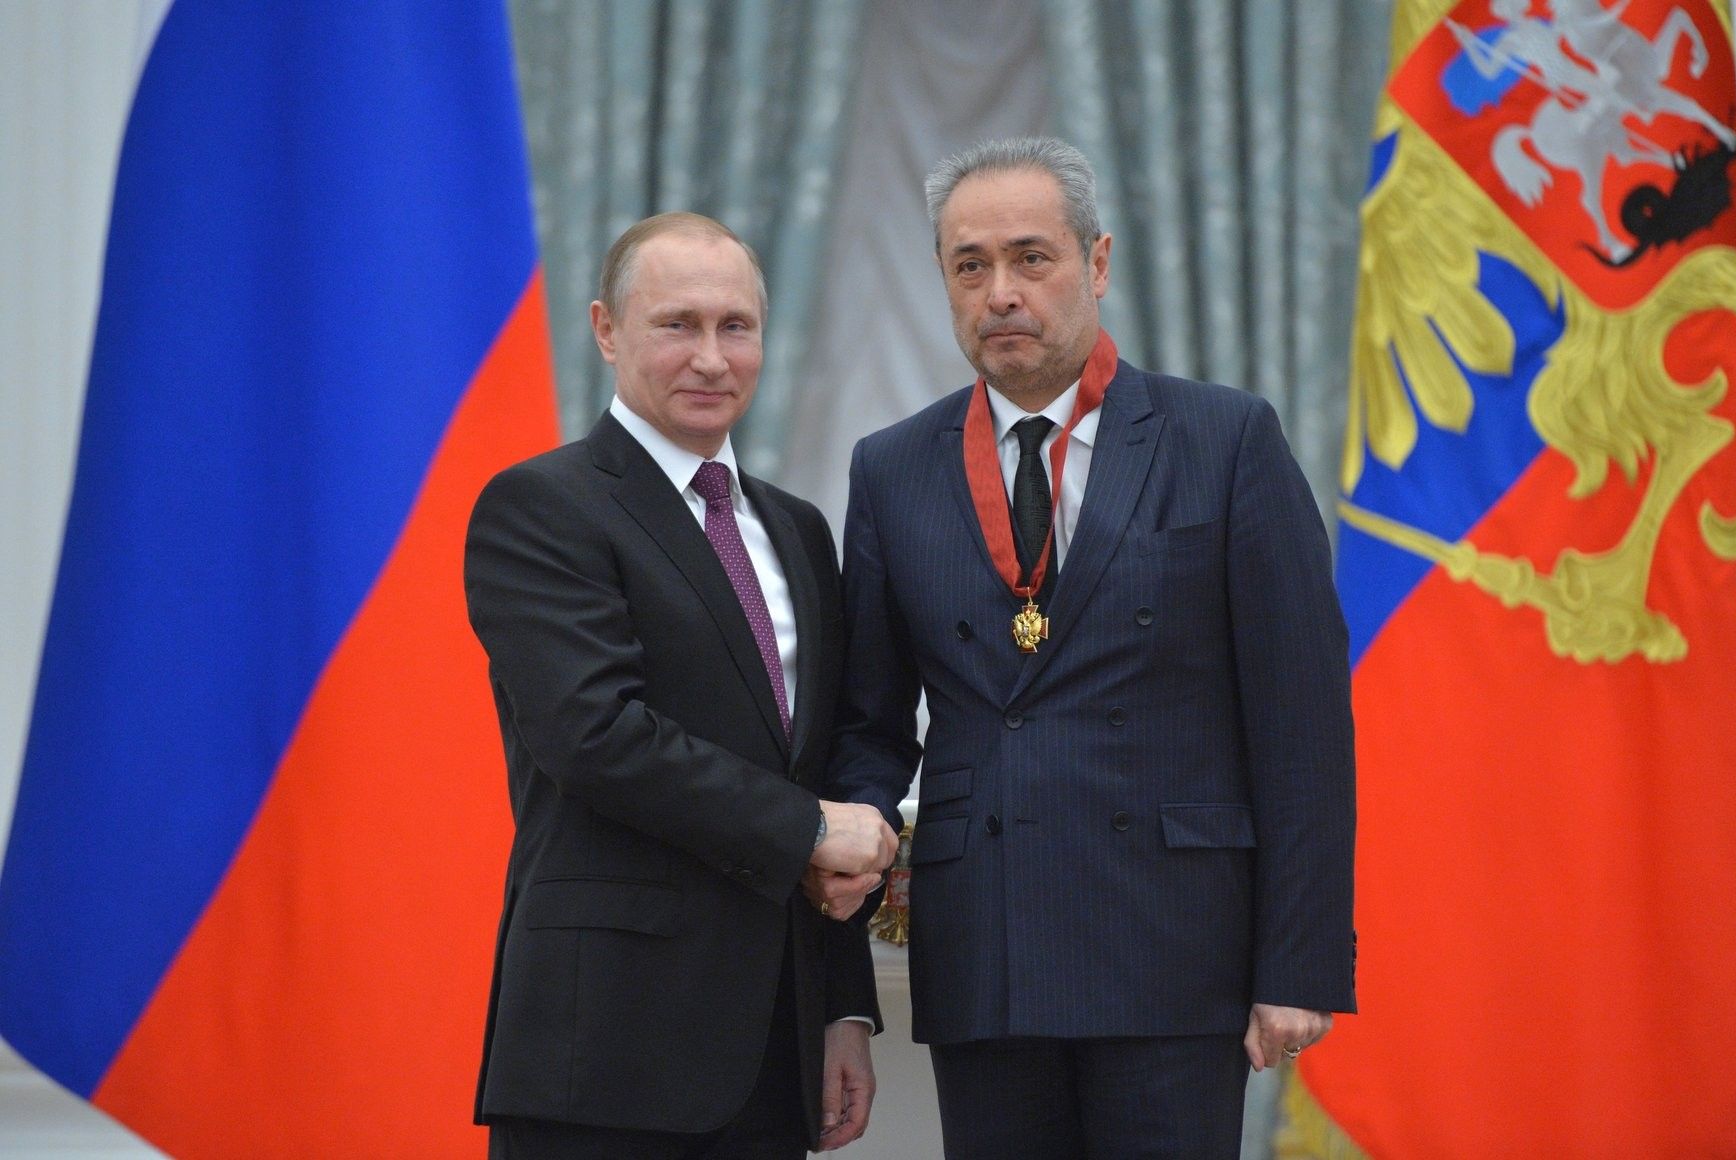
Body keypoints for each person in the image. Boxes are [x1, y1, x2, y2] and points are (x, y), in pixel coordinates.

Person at [821, 138, 1357, 1158]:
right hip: (987, 950)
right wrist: (843, 859)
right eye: (969, 265)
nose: (1001, 291)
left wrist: (1296, 960)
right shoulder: (891, 468)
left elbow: (1300, 721)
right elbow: (868, 722)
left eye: (1031, 257)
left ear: (1096, 263)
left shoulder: (1224, 439)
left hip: (1172, 947)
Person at [465, 212, 899, 1159]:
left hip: (776, 1050)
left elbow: (816, 762)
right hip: (608, 1055)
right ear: (606, 330)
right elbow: (596, 734)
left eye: (735, 326)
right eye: (678, 325)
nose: (712, 357)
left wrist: (842, 1013)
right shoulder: (542, 507)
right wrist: (815, 830)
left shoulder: (798, 530)